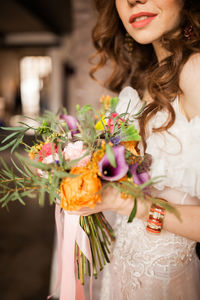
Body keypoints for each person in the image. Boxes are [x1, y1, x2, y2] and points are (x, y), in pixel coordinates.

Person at [74, 0, 200, 299]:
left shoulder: (196, 71)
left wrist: (129, 204)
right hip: (122, 277)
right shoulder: (145, 80)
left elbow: (129, 203)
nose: (133, 0)